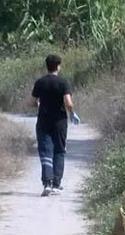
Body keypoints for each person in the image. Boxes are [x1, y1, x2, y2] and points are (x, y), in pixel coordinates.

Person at [31, 54, 81, 197]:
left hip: (43, 120)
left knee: (45, 150)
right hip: (59, 121)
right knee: (59, 150)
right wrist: (72, 113)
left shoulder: (40, 82)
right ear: (58, 66)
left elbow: (33, 102)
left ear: (47, 66)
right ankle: (56, 185)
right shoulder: (63, 83)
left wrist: (39, 104)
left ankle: (47, 182)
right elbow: (68, 102)